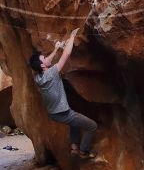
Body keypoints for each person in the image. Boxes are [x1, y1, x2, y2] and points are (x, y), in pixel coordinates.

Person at [30, 28, 98, 158]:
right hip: (63, 113)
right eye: (43, 58)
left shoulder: (38, 77)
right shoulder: (51, 73)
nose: (46, 58)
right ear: (43, 65)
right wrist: (72, 37)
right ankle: (84, 151)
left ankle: (74, 147)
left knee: (74, 122)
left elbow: (46, 62)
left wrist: (56, 48)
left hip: (54, 113)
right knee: (92, 126)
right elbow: (65, 56)